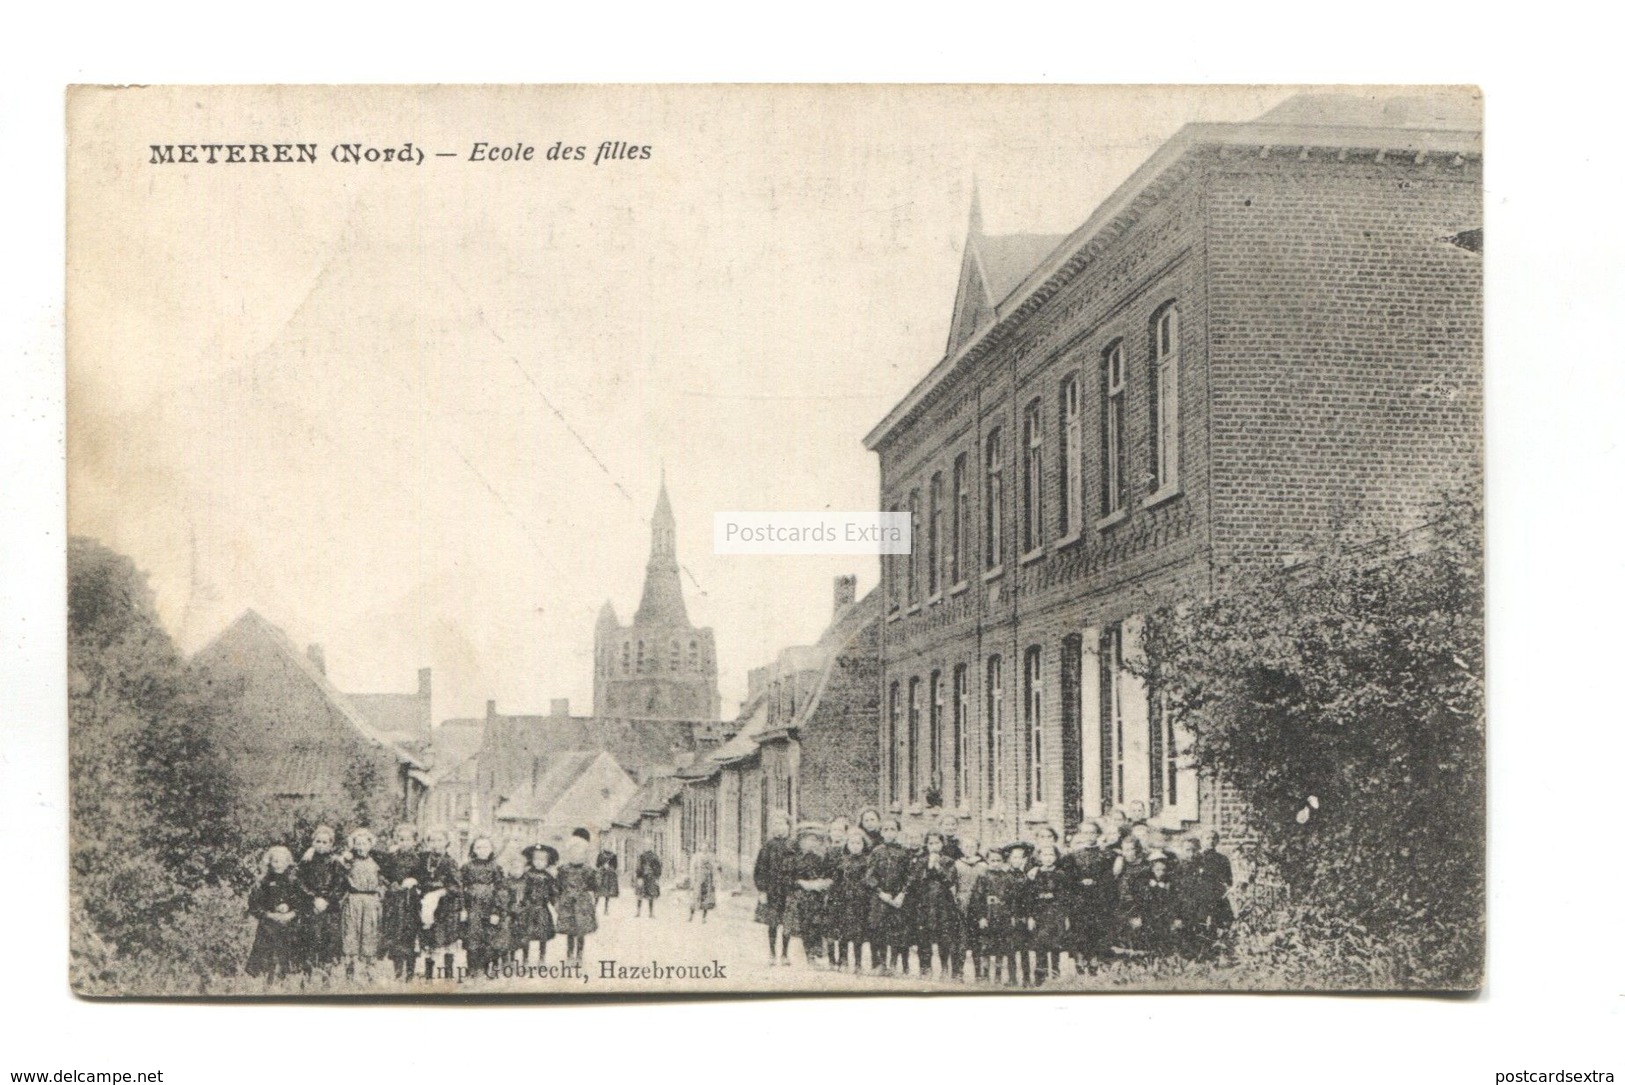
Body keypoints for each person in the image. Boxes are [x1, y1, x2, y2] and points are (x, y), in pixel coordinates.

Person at [245, 845, 309, 982]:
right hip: (269, 924)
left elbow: (302, 902)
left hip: (289, 923)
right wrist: (269, 914)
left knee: (289, 951)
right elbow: (254, 905)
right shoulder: (263, 882)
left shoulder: (294, 881)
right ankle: (265, 979)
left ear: (288, 863)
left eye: (282, 861)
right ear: (269, 862)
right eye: (275, 861)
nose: (278, 865)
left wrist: (292, 912)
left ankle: (287, 978)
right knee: (266, 950)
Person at [1059, 819, 1115, 974]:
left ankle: (1094, 961)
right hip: (1079, 897)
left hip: (1098, 897)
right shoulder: (1074, 855)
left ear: (1097, 834)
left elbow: (1109, 877)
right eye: (1085, 832)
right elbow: (1068, 877)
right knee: (1079, 930)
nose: (1089, 835)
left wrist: (1096, 881)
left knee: (1096, 929)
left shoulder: (1105, 854)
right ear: (1080, 834)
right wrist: (1080, 881)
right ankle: (1080, 960)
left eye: (1092, 832)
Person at [909, 830, 963, 979]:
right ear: (926, 845)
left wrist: (938, 867)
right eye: (930, 843)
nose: (934, 846)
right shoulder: (921, 861)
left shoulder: (948, 861)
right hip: (925, 903)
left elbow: (950, 881)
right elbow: (914, 881)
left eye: (937, 843)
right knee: (923, 936)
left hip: (943, 904)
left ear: (942, 844)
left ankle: (945, 967)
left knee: (944, 936)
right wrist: (928, 866)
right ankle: (925, 967)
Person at [863, 818, 912, 975]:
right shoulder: (877, 852)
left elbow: (909, 876)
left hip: (898, 899)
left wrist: (902, 894)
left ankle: (895, 965)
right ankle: (881, 964)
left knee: (897, 931)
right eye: (886, 830)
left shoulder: (904, 852)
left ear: (898, 832)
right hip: (881, 898)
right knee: (879, 930)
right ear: (881, 832)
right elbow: (869, 876)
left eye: (892, 829)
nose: (889, 833)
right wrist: (880, 892)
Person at [460, 835, 511, 977]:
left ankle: (488, 969)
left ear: (491, 849)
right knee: (472, 937)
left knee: (488, 937)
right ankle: (472, 969)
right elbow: (460, 888)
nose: (482, 850)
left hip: (489, 907)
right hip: (472, 907)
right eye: (478, 847)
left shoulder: (496, 867)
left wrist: (496, 911)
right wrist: (462, 908)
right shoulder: (466, 867)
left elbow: (501, 890)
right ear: (473, 850)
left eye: (486, 847)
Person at [297, 825, 345, 973]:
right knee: (310, 937)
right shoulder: (307, 861)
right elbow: (299, 881)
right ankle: (307, 974)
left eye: (325, 842)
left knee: (329, 939)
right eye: (318, 841)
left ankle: (326, 974)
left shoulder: (335, 862)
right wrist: (313, 897)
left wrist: (327, 899)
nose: (321, 845)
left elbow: (340, 884)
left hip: (330, 907)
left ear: (331, 844)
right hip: (310, 906)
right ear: (313, 843)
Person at [414, 828, 462, 976]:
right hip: (426, 905)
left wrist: (441, 892)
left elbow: (457, 887)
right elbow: (416, 876)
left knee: (447, 942)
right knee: (429, 941)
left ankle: (448, 975)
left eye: (440, 840)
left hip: (445, 907)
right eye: (432, 840)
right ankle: (428, 976)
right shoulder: (422, 859)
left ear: (447, 842)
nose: (436, 844)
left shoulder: (450, 862)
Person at [340, 828, 385, 980]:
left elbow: (385, 877)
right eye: (357, 844)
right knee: (351, 933)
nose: (361, 847)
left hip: (371, 900)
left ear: (370, 845)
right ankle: (350, 971)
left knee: (370, 933)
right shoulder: (348, 860)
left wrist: (380, 892)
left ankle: (369, 971)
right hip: (354, 899)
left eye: (364, 844)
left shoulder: (377, 860)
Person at [784, 825, 833, 966]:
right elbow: (787, 878)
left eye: (815, 840)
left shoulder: (820, 858)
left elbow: (829, 874)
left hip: (817, 897)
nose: (811, 843)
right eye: (808, 839)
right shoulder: (793, 858)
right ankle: (806, 955)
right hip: (799, 897)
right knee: (803, 926)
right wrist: (803, 883)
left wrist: (823, 882)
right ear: (800, 841)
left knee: (816, 925)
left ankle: (816, 954)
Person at [752, 813, 796, 965]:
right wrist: (762, 890)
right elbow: (760, 870)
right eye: (776, 824)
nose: (780, 827)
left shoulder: (793, 845)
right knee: (772, 923)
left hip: (789, 890)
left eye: (783, 824)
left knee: (787, 923)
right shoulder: (768, 846)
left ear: (788, 827)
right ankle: (772, 953)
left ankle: (785, 954)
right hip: (772, 891)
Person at [826, 826, 872, 972]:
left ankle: (858, 963)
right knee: (843, 932)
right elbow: (836, 881)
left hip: (860, 901)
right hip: (843, 901)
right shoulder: (842, 861)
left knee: (858, 933)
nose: (855, 846)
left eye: (858, 843)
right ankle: (843, 960)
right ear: (847, 844)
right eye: (852, 843)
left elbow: (869, 880)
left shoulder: (867, 862)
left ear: (863, 845)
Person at [1025, 843, 1069, 984]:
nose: (1048, 858)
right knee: (1040, 946)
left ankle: (1055, 976)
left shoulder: (1061, 874)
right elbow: (1030, 897)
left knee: (1055, 946)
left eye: (1051, 855)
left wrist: (1066, 916)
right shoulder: (1034, 874)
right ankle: (1040, 979)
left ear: (1056, 857)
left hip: (1056, 914)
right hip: (1040, 914)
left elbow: (1065, 897)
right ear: (1039, 857)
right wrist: (1031, 916)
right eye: (1045, 855)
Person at [554, 833, 600, 966]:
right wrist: (557, 901)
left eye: (580, 853)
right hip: (568, 903)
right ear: (569, 854)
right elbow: (557, 887)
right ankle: (569, 956)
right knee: (570, 931)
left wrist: (592, 900)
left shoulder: (588, 871)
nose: (576, 855)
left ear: (584, 855)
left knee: (581, 931)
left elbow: (594, 887)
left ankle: (579, 956)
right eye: (573, 852)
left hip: (582, 904)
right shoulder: (563, 870)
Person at [512, 843, 558, 964]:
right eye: (536, 859)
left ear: (548, 862)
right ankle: (525, 958)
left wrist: (556, 905)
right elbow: (521, 890)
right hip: (528, 909)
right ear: (531, 860)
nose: (539, 862)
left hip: (542, 909)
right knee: (526, 934)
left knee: (543, 934)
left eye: (542, 860)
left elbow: (553, 893)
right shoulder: (526, 875)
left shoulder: (549, 877)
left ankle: (541, 957)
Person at [1003, 842, 1035, 986]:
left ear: (1024, 860)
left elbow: (1030, 900)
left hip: (1023, 917)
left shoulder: (1027, 878)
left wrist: (1029, 916)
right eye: (1014, 857)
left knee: (1024, 950)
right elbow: (1004, 900)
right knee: (1010, 949)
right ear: (1009, 859)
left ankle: (1027, 979)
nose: (1017, 860)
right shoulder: (1005, 877)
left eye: (1020, 858)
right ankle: (1012, 978)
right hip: (1009, 917)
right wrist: (1009, 916)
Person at [1196, 828, 1236, 934]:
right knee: (1200, 924)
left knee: (1220, 925)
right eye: (1207, 838)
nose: (1210, 841)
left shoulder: (1222, 859)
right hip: (1200, 896)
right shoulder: (1196, 858)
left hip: (1217, 896)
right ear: (1201, 840)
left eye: (1214, 838)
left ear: (1217, 841)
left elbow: (1229, 880)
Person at [634, 847, 663, 917]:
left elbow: (658, 868)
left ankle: (651, 913)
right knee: (640, 895)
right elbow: (639, 867)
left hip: (651, 878)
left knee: (650, 895)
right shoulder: (642, 856)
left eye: (648, 845)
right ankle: (638, 912)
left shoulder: (654, 857)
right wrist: (639, 877)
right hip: (643, 877)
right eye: (646, 845)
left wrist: (656, 877)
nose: (647, 847)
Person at [689, 851, 717, 923]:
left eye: (706, 847)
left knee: (705, 900)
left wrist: (712, 882)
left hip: (706, 882)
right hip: (698, 882)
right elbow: (692, 869)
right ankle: (691, 917)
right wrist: (693, 879)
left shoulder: (710, 858)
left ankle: (704, 918)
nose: (705, 848)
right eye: (703, 847)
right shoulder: (697, 857)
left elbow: (713, 871)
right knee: (695, 898)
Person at [595, 847, 620, 915]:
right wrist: (602, 866)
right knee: (597, 890)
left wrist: (610, 866)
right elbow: (597, 865)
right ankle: (595, 907)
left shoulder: (613, 856)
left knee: (607, 893)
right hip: (601, 874)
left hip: (609, 875)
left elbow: (615, 866)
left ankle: (606, 909)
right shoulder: (600, 855)